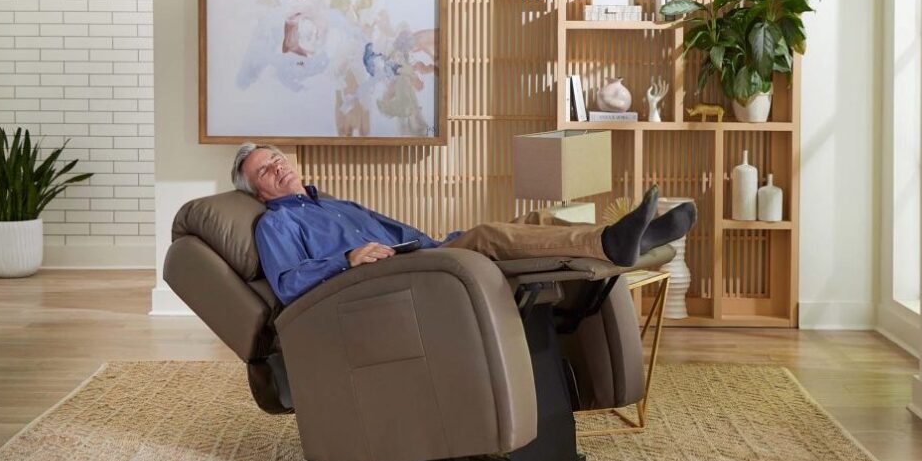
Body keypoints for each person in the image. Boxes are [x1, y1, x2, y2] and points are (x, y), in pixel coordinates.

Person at [232, 143, 696, 305]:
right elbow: (290, 283)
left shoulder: (332, 204)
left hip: (418, 255)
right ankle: (613, 242)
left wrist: (435, 244)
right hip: (386, 282)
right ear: (258, 192)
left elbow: (398, 232)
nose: (277, 168)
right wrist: (346, 258)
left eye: (277, 159)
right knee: (490, 237)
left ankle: (627, 239)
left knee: (530, 219)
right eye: (264, 171)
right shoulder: (275, 225)